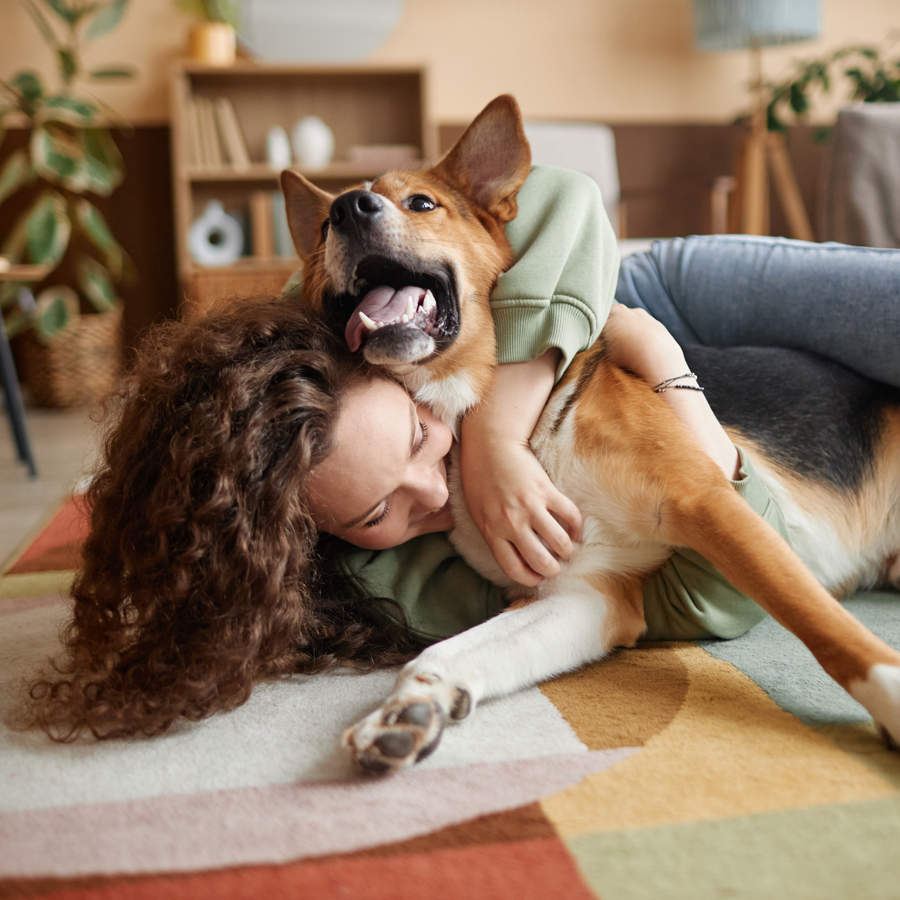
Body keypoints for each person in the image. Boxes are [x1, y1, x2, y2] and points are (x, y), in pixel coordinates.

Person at [20, 167, 900, 741]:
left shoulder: (341, 324)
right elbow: (610, 607)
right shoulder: (333, 467)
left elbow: (561, 197)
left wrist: (495, 438)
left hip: (619, 286)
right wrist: (438, 678)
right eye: (376, 512)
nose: (430, 488)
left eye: (414, 440)